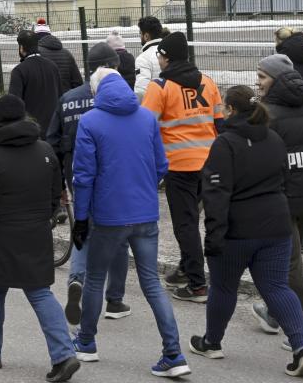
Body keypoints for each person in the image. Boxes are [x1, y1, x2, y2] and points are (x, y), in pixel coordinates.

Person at [190, 85, 303, 378]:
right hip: (276, 226)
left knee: (224, 287)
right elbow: (285, 180)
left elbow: (216, 194)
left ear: (231, 110)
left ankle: (212, 342)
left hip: (238, 231)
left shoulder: (225, 143)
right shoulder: (274, 138)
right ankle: (301, 350)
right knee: (276, 287)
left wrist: (213, 236)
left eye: (223, 106)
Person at [72, 68, 190, 378]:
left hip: (108, 215)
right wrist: (143, 188)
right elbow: (161, 165)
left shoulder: (91, 122)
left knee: (96, 279)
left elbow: (83, 177)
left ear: (96, 93)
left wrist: (81, 219)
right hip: (145, 213)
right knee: (151, 283)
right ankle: (173, 353)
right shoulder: (147, 117)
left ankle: (86, 343)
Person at [0, 94, 79, 382]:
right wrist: (47, 218)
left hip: (0, 237)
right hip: (36, 233)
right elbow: (57, 194)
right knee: (40, 293)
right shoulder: (45, 151)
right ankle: (64, 353)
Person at [251, 55, 303, 354]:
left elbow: (257, 163)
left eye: (261, 76)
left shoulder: (267, 115)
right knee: (284, 260)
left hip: (278, 201)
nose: (257, 82)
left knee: (289, 266)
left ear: (277, 79)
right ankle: (276, 314)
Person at [47, 43, 131, 325]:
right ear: (113, 67)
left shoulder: (67, 99)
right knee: (118, 238)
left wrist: (59, 182)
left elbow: (53, 143)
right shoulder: (123, 99)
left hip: (77, 175)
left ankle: (76, 281)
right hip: (115, 178)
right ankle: (115, 299)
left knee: (83, 229)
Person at [142, 31, 223, 302]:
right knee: (210, 222)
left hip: (179, 166)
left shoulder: (160, 87)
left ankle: (197, 285)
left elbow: (145, 128)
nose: (159, 60)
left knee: (185, 225)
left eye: (160, 56)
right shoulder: (209, 83)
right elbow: (220, 125)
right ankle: (191, 270)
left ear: (165, 57)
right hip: (211, 164)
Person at [9, 30, 61, 131]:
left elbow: (14, 104)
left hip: (31, 131)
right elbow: (60, 96)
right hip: (53, 129)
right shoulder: (53, 66)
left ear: (21, 48)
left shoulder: (19, 71)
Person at [34, 19, 82, 95]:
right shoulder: (67, 54)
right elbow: (77, 82)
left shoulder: (35, 54)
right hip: (65, 100)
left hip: (44, 100)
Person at [134, 16, 164, 99]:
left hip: (155, 108)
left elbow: (141, 91)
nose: (140, 36)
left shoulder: (143, 58)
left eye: (140, 33)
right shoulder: (171, 51)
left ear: (146, 36)